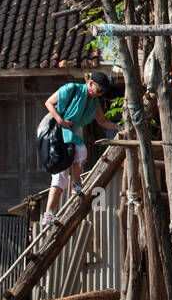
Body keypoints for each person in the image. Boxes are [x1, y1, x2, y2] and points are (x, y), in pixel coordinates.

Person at [40, 71, 118, 224]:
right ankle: (48, 214)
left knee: (81, 151)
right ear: (90, 84)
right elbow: (48, 103)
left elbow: (102, 121)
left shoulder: (94, 102)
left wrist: (117, 127)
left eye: (102, 92)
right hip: (53, 129)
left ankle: (76, 184)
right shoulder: (71, 89)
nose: (100, 93)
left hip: (69, 132)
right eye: (99, 89)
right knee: (61, 174)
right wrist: (60, 120)